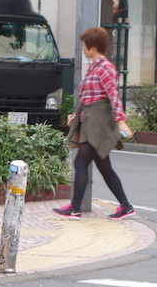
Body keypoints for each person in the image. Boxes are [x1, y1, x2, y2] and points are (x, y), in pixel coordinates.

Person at [53, 27, 135, 220]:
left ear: (93, 46)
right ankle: (126, 206)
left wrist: (121, 122)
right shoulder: (94, 67)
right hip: (90, 121)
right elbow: (88, 95)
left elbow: (113, 96)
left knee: (80, 162)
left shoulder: (105, 68)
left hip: (97, 125)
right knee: (104, 166)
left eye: (84, 44)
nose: (82, 48)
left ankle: (74, 208)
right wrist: (76, 114)